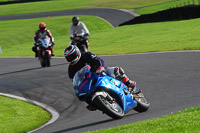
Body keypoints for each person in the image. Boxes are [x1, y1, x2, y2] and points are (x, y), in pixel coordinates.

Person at [64, 45, 136, 111]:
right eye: (68, 58)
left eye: (72, 56)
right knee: (86, 102)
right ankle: (99, 104)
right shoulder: (71, 69)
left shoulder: (86, 55)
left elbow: (98, 60)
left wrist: (100, 67)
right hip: (88, 82)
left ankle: (129, 83)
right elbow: (75, 81)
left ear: (77, 53)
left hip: (98, 72)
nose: (71, 59)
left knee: (116, 70)